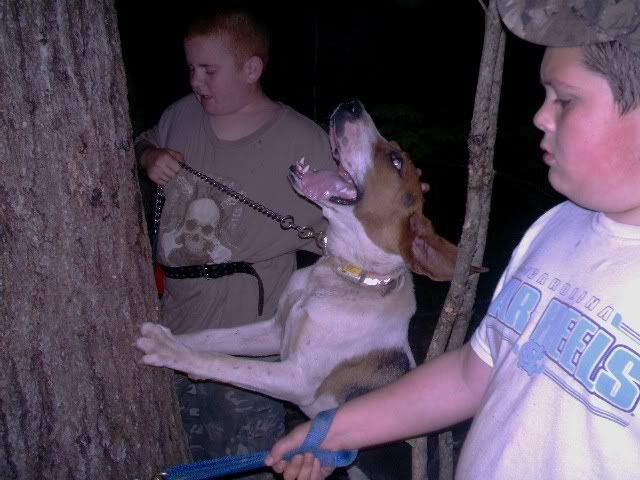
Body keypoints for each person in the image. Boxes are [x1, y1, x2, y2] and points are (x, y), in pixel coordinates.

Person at [265, 1, 640, 478]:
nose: (540, 117)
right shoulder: (553, 230)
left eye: (564, 100)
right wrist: (334, 430)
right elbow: (470, 376)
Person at [134, 4, 335, 474]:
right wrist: (148, 157)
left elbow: (354, 227)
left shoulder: (303, 142)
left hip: (249, 353)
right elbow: (141, 141)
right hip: (171, 334)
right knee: (171, 462)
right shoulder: (180, 116)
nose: (196, 82)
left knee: (245, 468)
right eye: (191, 69)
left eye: (209, 70)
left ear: (251, 68)